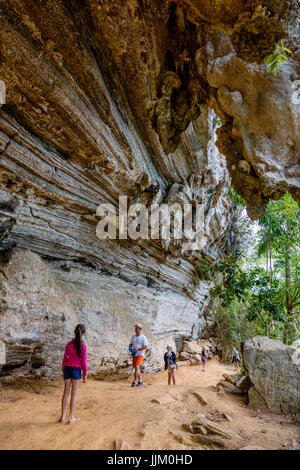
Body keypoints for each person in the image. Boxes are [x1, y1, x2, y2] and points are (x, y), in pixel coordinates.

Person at [60, 324, 87, 424]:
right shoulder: (83, 346)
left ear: (75, 332)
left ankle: (63, 416)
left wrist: (63, 370)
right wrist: (85, 374)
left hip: (67, 368)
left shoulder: (69, 344)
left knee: (66, 392)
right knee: (74, 393)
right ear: (83, 334)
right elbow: (83, 362)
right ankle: (71, 417)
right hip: (76, 369)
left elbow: (64, 358)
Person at [129, 323, 148, 387]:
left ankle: (134, 381)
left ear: (140, 329)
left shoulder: (143, 337)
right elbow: (130, 344)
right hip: (134, 354)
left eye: (137, 328)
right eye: (135, 328)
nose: (136, 329)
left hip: (140, 354)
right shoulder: (133, 337)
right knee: (137, 369)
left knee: (137, 367)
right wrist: (130, 349)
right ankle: (140, 381)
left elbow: (145, 346)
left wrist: (138, 349)